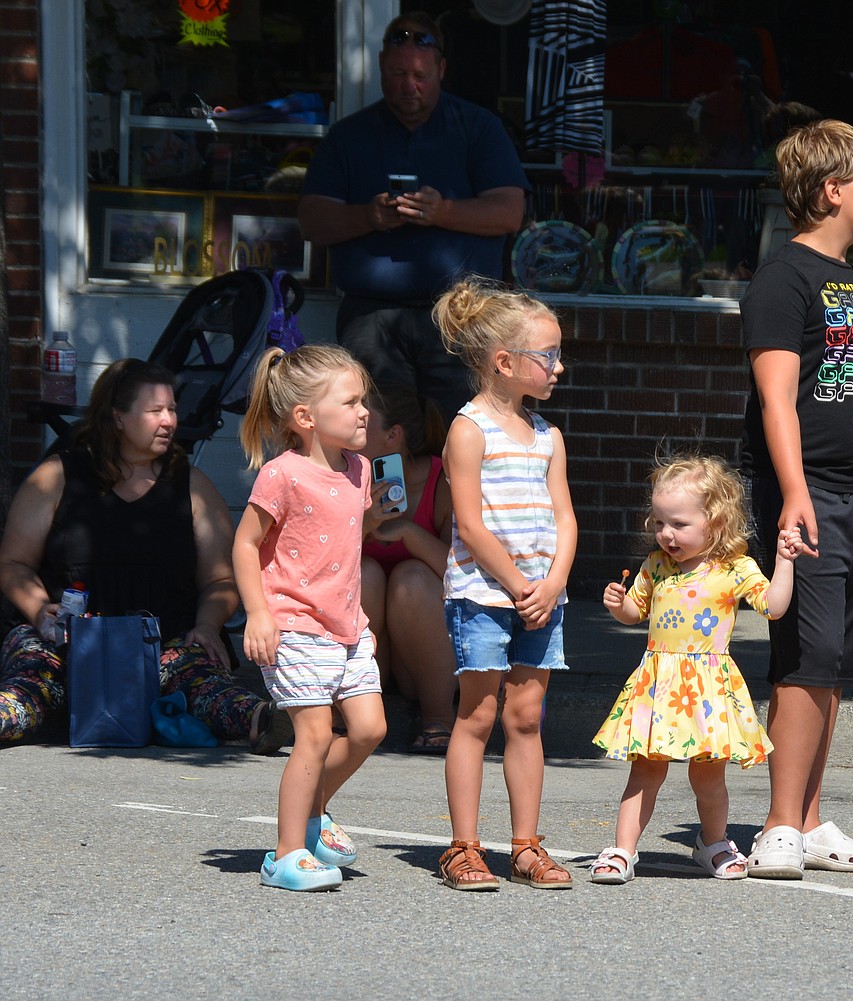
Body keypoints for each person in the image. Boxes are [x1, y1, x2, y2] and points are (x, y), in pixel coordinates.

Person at [741, 119, 853, 880]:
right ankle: (778, 824)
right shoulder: (784, 279)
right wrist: (796, 494)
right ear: (833, 189)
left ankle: (809, 818)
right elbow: (777, 399)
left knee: (834, 663)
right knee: (804, 660)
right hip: (809, 498)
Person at [0, 358, 290, 754]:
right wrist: (37, 610)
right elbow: (13, 563)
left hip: (161, 643)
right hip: (65, 639)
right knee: (26, 693)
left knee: (206, 686)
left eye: (171, 409)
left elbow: (221, 580)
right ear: (117, 417)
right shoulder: (57, 476)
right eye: (155, 411)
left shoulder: (191, 484)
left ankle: (264, 721)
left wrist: (207, 624)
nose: (169, 420)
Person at [297, 10, 530, 425]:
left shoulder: (477, 127)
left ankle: (449, 494)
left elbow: (509, 213)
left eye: (420, 75)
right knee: (377, 436)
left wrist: (443, 211)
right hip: (372, 318)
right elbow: (313, 221)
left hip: (460, 317)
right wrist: (369, 216)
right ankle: (383, 495)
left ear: (441, 69)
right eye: (398, 73)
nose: (409, 86)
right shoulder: (349, 135)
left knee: (463, 434)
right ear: (382, 70)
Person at [589, 455, 802, 884]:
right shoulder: (655, 566)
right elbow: (636, 611)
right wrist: (619, 606)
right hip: (658, 683)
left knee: (708, 777)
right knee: (645, 770)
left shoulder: (734, 568)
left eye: (679, 525)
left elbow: (774, 607)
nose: (666, 534)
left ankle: (714, 842)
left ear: (717, 523)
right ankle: (622, 850)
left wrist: (785, 561)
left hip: (707, 688)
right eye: (660, 523)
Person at [434, 278, 576, 891]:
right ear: (505, 362)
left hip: (541, 599)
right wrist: (522, 584)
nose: (558, 367)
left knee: (525, 717)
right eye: (548, 356)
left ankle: (525, 846)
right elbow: (469, 523)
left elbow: (566, 516)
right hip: (485, 597)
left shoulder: (548, 436)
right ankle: (464, 847)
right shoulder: (469, 431)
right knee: (477, 715)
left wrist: (553, 584)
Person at [233, 345, 387, 892]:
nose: (363, 411)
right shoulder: (282, 474)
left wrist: (377, 520)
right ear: (305, 417)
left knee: (370, 728)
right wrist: (257, 613)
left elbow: (341, 540)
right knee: (314, 735)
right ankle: (286, 852)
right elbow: (246, 543)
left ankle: (314, 813)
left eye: (362, 400)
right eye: (350, 402)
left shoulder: (361, 468)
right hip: (294, 623)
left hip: (347, 625)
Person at [359, 382, 456, 753]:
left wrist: (408, 532)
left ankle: (438, 717)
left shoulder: (443, 479)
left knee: (411, 577)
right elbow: (323, 567)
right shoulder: (345, 477)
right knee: (364, 572)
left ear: (393, 436)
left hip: (426, 654)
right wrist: (365, 524)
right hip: (373, 657)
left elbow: (462, 572)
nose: (353, 420)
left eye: (364, 417)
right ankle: (346, 711)